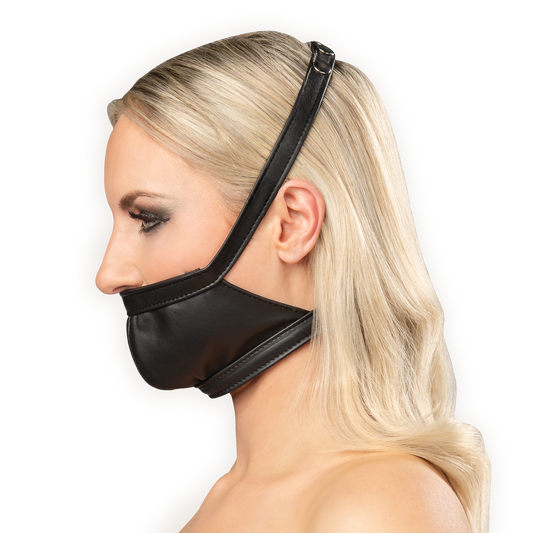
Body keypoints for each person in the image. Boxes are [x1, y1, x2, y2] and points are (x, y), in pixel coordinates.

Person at [95, 30, 490, 532]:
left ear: (293, 224)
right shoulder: (221, 501)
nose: (107, 275)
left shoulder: (377, 506)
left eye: (148, 219)